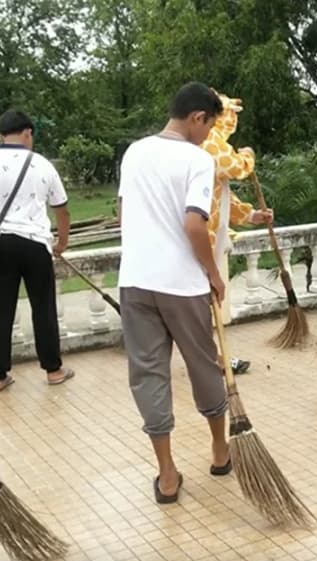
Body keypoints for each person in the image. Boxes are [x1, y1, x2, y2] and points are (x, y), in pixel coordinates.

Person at [116, 82, 232, 503]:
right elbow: (193, 225)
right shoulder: (196, 160)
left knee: (148, 374)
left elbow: (122, 214)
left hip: (136, 282)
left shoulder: (134, 152)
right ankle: (220, 448)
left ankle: (167, 474)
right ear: (197, 117)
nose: (208, 136)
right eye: (209, 126)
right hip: (182, 284)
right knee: (204, 364)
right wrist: (213, 272)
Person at [0, 110, 74, 394]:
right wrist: (60, 242)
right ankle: (53, 370)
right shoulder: (42, 164)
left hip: (0, 244)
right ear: (28, 133)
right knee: (43, 307)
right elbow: (61, 208)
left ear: (1, 135)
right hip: (36, 243)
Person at [200, 92, 273, 375]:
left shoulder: (212, 143)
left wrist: (252, 215)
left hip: (211, 238)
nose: (233, 120)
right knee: (206, 303)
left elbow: (221, 198)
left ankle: (211, 355)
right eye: (230, 114)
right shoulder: (209, 141)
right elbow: (235, 168)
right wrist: (247, 156)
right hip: (200, 240)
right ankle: (213, 358)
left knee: (208, 304)